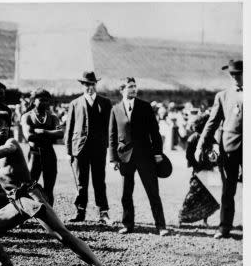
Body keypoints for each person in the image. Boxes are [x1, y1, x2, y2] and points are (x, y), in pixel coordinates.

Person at [0, 111, 119, 266]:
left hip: (31, 196)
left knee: (61, 234)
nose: (4, 132)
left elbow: (5, 151)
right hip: (15, 203)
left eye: (6, 128)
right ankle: (6, 263)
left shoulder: (10, 145)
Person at [109, 77, 168, 236]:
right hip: (125, 158)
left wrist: (157, 153)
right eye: (130, 87)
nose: (134, 89)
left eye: (135, 86)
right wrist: (113, 158)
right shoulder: (115, 109)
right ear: (122, 89)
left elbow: (155, 132)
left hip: (146, 156)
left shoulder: (145, 107)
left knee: (153, 192)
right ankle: (127, 225)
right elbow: (112, 135)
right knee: (125, 193)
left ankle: (161, 226)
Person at [195, 60, 243, 239]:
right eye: (232, 74)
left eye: (239, 74)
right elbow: (211, 123)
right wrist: (201, 145)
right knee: (227, 190)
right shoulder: (222, 96)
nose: (235, 77)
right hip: (229, 148)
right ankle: (224, 227)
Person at [65, 71, 112, 224]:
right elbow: (69, 129)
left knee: (99, 181)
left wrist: (109, 147)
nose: (89, 88)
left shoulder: (105, 103)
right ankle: (80, 212)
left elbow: (110, 128)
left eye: (92, 84)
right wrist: (68, 151)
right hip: (79, 149)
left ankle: (103, 213)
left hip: (99, 149)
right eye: (86, 85)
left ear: (95, 85)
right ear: (82, 85)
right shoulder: (75, 103)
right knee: (81, 182)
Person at [21, 89, 63, 206]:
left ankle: (50, 218)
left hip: (49, 154)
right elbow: (29, 136)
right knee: (29, 187)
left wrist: (43, 131)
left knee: (49, 188)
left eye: (47, 100)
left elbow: (60, 134)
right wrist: (50, 134)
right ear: (34, 101)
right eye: (41, 100)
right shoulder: (27, 116)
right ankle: (26, 216)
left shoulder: (52, 117)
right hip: (35, 154)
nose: (45, 102)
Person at [178, 114, 220, 225]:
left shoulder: (211, 138)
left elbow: (216, 152)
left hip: (209, 170)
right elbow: (189, 156)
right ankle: (182, 217)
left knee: (209, 196)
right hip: (198, 171)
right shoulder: (193, 138)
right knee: (193, 195)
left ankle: (204, 220)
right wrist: (197, 166)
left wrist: (213, 159)